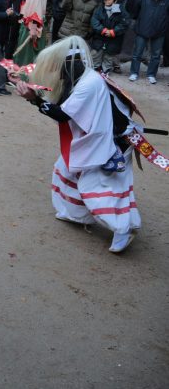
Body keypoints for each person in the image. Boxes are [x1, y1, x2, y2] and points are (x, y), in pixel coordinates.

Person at [16, 37, 141, 254]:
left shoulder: (88, 83)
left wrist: (34, 99)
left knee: (99, 188)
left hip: (112, 143)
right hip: (97, 140)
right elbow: (63, 110)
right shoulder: (81, 79)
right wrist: (34, 96)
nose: (56, 71)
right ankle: (74, 214)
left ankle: (123, 228)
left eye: (57, 66)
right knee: (64, 169)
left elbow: (63, 114)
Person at [128, 0, 168, 84]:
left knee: (156, 55)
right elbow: (135, 11)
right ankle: (134, 73)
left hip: (160, 31)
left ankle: (151, 74)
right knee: (137, 53)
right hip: (142, 28)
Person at [13, 0, 49, 66]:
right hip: (33, 24)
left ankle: (24, 78)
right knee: (29, 55)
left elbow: (35, 10)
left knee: (27, 56)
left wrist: (33, 29)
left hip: (32, 26)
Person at [90, 0, 130, 73]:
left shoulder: (121, 11)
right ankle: (95, 70)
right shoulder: (99, 9)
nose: (107, 1)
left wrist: (113, 32)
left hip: (114, 39)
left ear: (115, 0)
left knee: (109, 56)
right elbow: (94, 21)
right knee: (96, 54)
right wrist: (103, 30)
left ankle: (106, 72)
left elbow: (124, 23)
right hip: (99, 37)